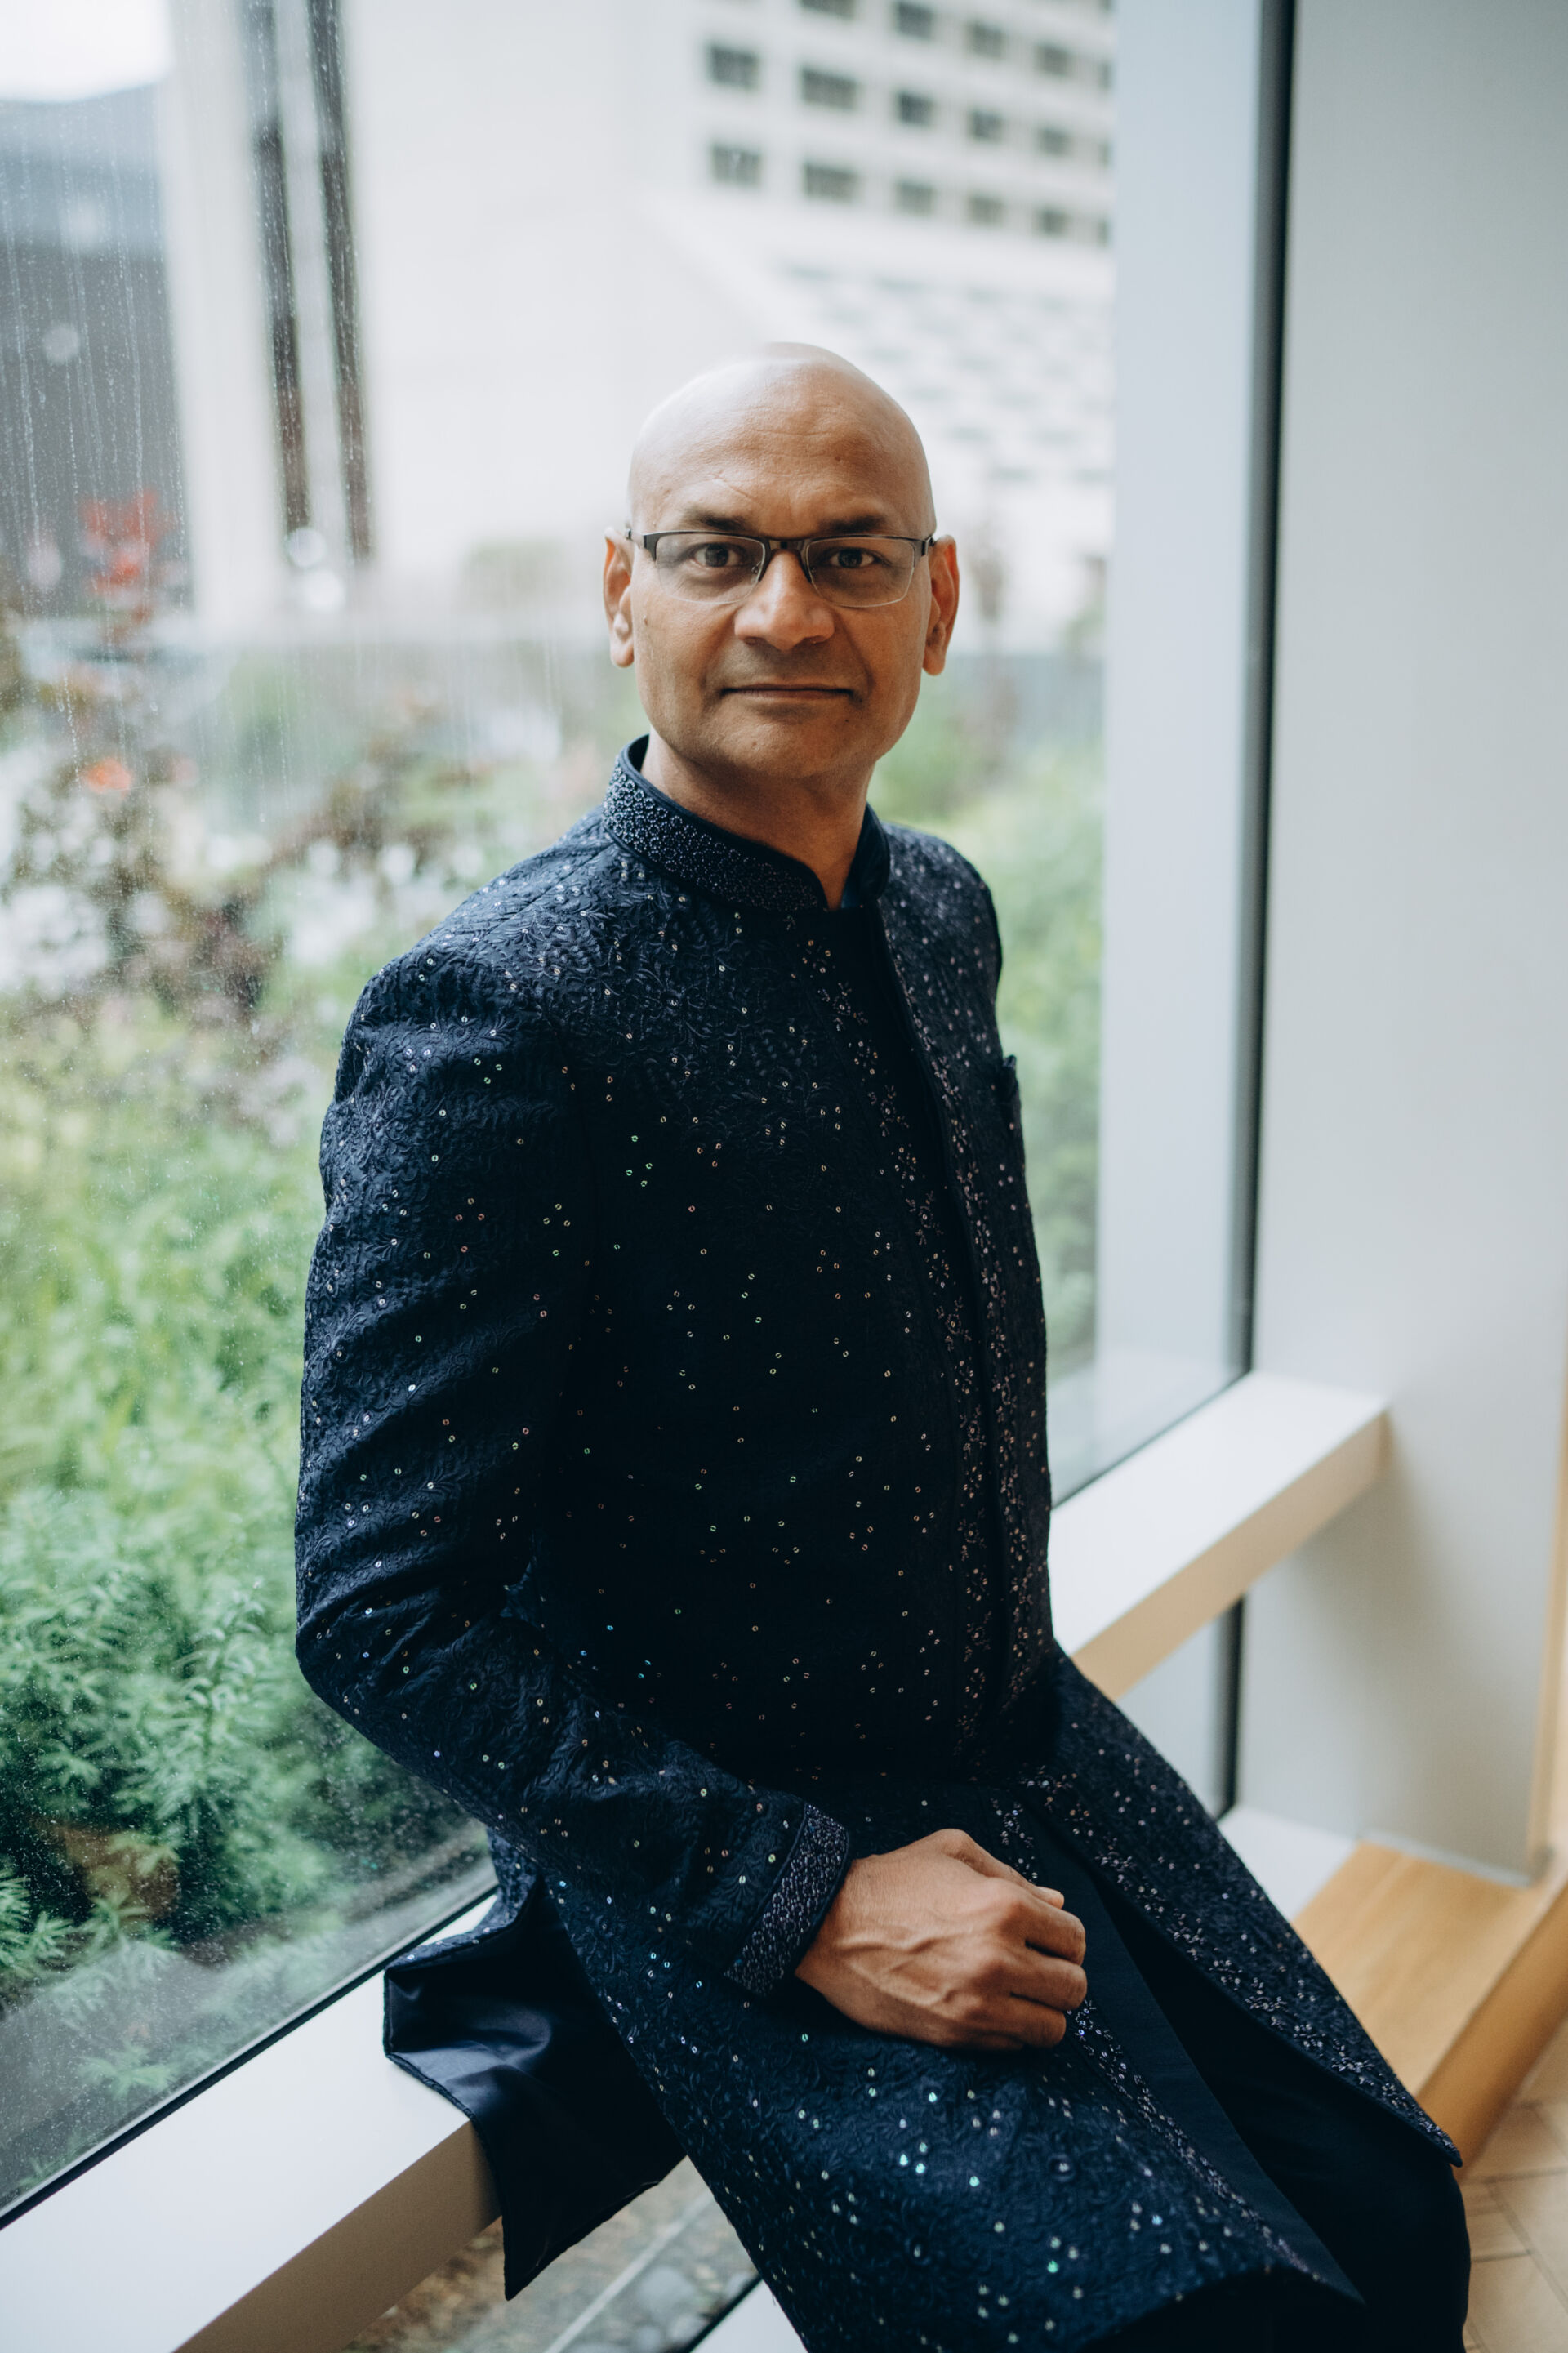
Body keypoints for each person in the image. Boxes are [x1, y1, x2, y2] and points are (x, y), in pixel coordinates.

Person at [296, 348, 1469, 2350]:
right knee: (1210, 2323)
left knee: (1394, 2210)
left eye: (850, 554)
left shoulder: (938, 908)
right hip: (740, 1840)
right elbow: (380, 1611)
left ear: (939, 604)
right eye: (716, 551)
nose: (785, 610)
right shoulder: (497, 1008)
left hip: (1028, 1742)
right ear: (621, 595)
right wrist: (809, 1897)